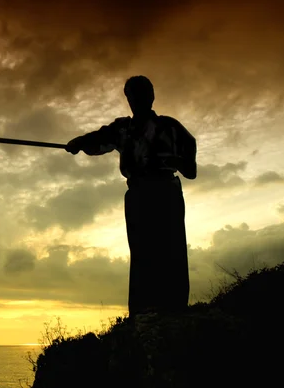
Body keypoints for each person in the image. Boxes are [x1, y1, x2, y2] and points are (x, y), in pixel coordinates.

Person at [66, 75, 197, 318]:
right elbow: (97, 139)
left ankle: (175, 308)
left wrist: (172, 160)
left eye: (141, 94)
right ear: (128, 99)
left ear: (152, 96)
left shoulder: (171, 127)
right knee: (141, 251)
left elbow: (191, 169)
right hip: (138, 194)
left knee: (171, 248)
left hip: (166, 192)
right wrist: (78, 143)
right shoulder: (123, 129)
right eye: (132, 96)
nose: (136, 100)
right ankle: (142, 311)